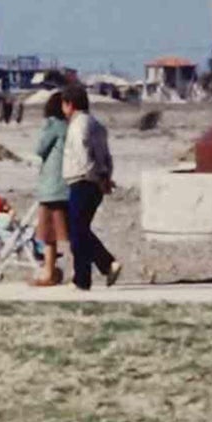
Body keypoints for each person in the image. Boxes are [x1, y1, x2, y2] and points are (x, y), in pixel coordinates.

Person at [59, 82, 120, 291]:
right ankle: (98, 269)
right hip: (95, 182)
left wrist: (95, 177)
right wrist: (105, 177)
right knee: (80, 230)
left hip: (82, 181)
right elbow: (106, 156)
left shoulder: (78, 126)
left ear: (70, 104)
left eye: (63, 105)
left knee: (77, 233)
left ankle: (88, 275)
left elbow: (84, 156)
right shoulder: (97, 124)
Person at [31, 90, 71, 287]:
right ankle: (62, 270)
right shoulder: (70, 126)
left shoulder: (53, 125)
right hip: (67, 184)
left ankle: (48, 273)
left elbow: (39, 149)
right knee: (68, 231)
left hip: (51, 185)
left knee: (48, 234)